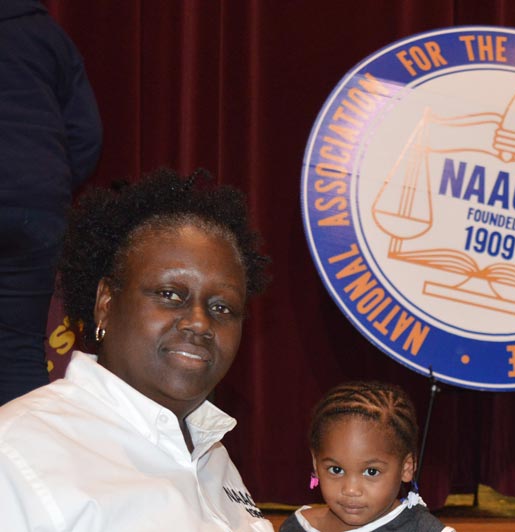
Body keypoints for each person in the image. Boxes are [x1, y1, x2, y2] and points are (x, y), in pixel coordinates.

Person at [0, 169, 274, 531]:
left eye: (222, 307)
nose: (200, 323)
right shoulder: (18, 453)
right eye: (170, 294)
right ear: (106, 303)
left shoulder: (212, 456)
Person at [0, 0, 103, 405]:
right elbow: (86, 135)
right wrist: (47, 186)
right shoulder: (47, 35)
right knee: (20, 348)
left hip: (37, 200)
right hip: (35, 211)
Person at [280, 381, 455, 532]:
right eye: (336, 470)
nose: (351, 490)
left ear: (406, 467)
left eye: (371, 472)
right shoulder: (297, 526)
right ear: (316, 464)